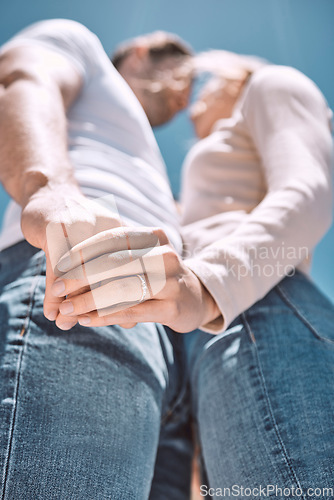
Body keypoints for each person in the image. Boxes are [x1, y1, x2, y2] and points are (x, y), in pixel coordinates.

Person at [61, 50, 334, 493]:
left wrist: (206, 284)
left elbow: (308, 191)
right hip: (207, 324)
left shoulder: (273, 84)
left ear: (230, 73)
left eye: (202, 85)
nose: (190, 106)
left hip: (260, 304)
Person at [0, 19, 198, 499]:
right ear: (142, 51)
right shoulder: (77, 42)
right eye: (180, 78)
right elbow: (24, 79)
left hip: (173, 337)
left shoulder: (141, 149)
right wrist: (49, 189)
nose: (184, 99)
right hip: (86, 264)